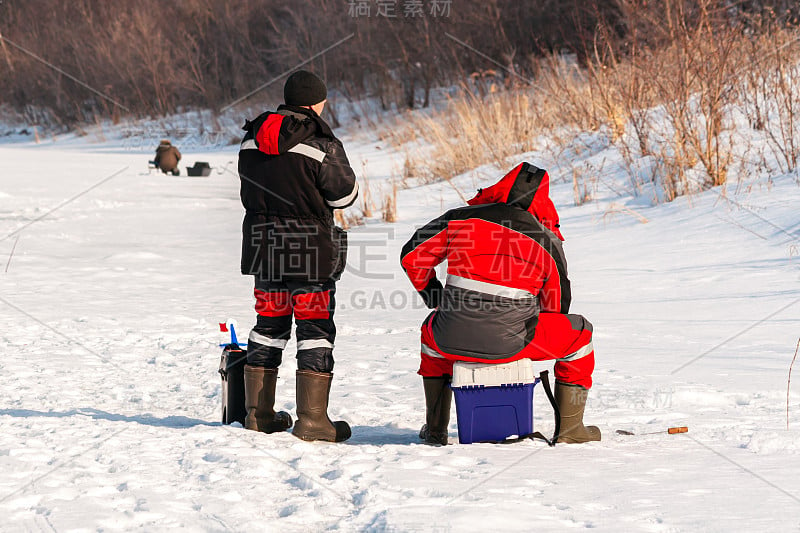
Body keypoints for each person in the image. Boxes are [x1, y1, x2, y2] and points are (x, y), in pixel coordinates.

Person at [400, 162, 600, 445]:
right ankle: (571, 430)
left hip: (449, 337)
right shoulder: (546, 241)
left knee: (429, 334)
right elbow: (556, 308)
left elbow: (411, 256)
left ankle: (435, 430)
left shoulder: (459, 219)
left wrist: (435, 298)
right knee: (580, 335)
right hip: (513, 343)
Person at [238, 70, 358, 442]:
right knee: (315, 329)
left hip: (263, 246)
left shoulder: (251, 138)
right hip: (309, 251)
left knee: (269, 325)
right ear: (315, 102)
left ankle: (258, 414)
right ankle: (312, 421)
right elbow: (344, 197)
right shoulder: (322, 142)